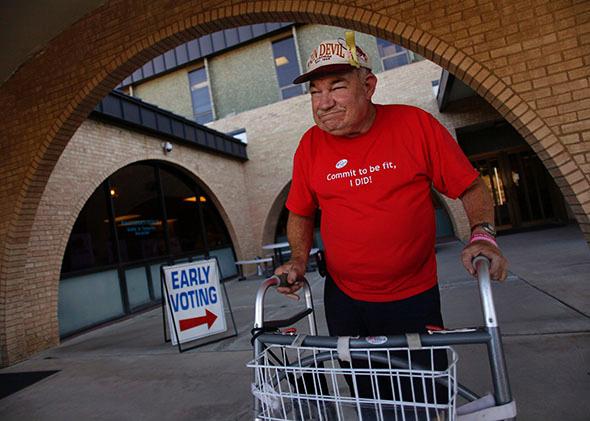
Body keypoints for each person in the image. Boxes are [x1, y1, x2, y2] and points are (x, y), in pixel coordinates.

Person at [274, 32, 508, 402]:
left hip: (413, 297)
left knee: (423, 397)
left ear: (368, 86)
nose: (324, 102)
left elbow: (471, 187)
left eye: (336, 87)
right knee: (370, 400)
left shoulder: (415, 126)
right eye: (315, 92)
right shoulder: (309, 146)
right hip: (345, 300)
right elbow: (300, 212)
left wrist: (482, 234)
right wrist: (299, 259)